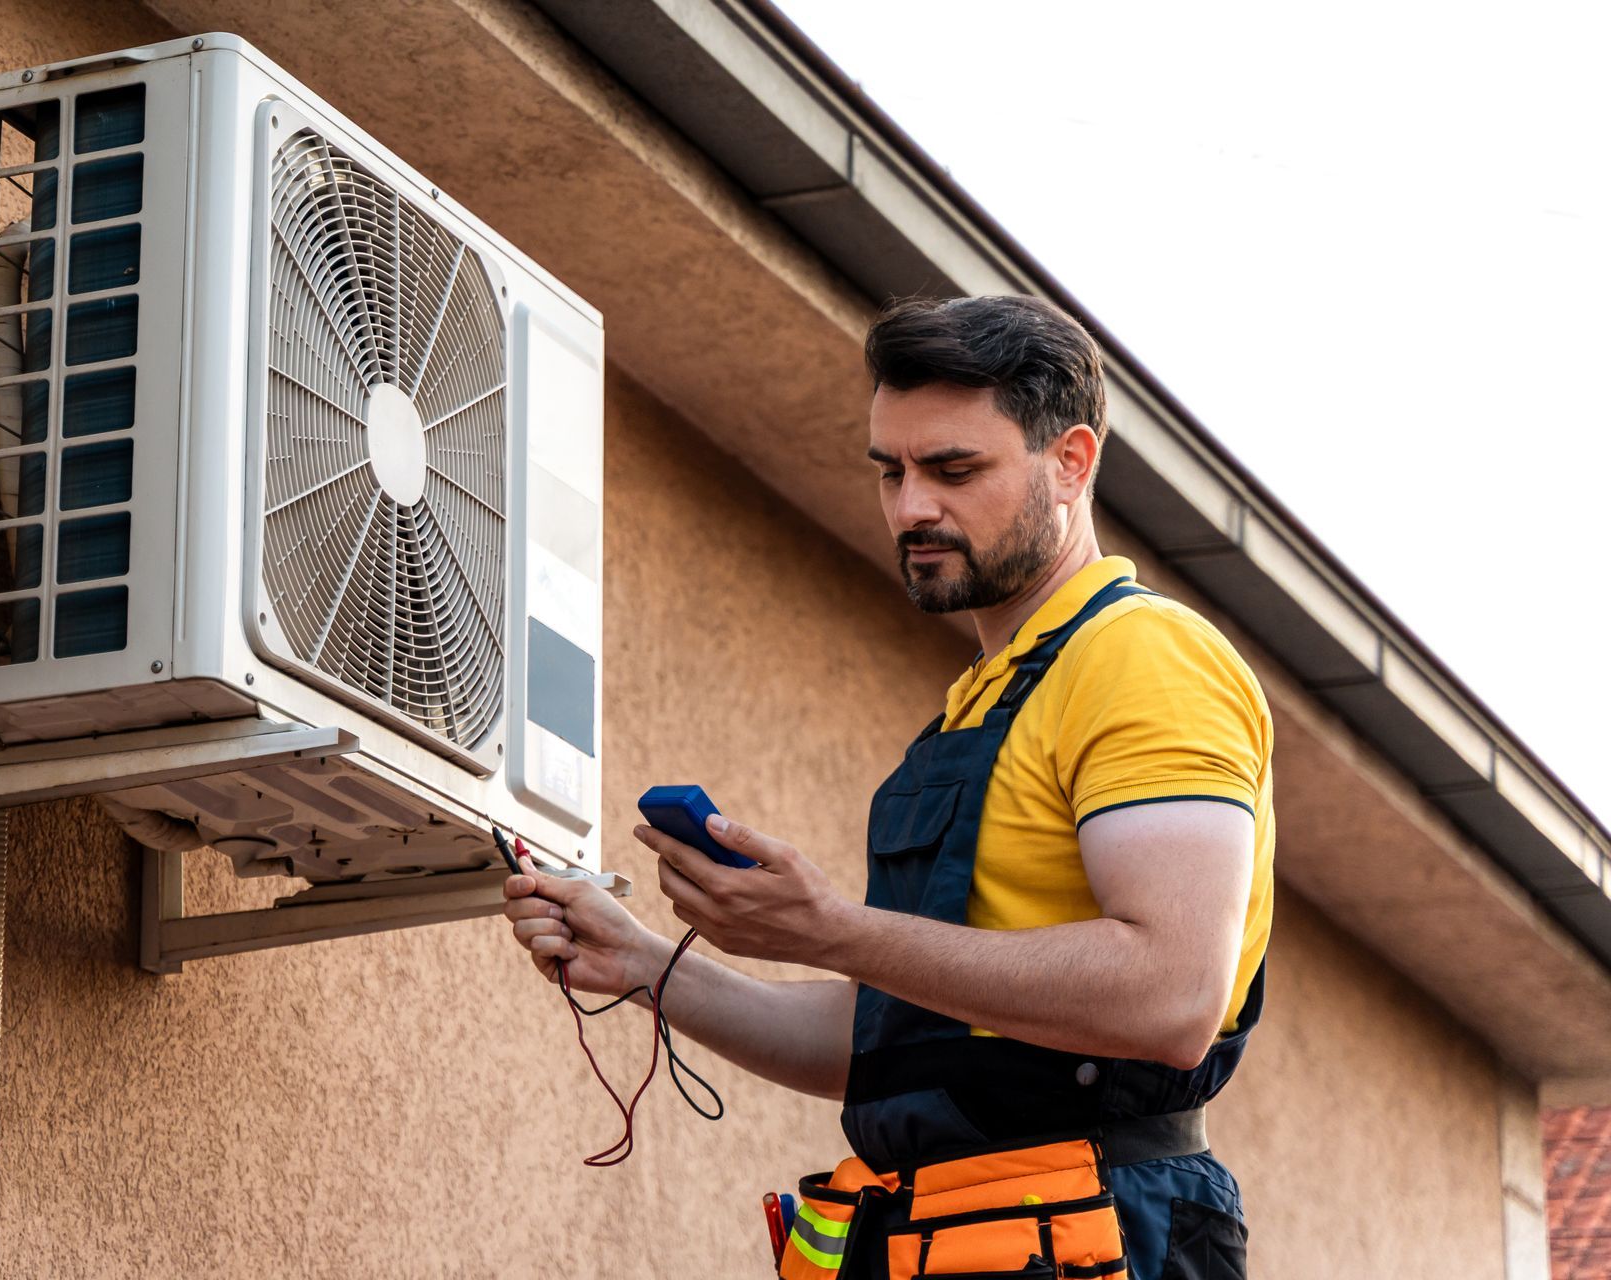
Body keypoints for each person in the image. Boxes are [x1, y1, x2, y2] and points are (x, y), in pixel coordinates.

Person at [502, 294, 1274, 1280]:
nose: (911, 508)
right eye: (891, 471)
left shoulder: (1144, 658)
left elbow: (1173, 994)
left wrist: (832, 929)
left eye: (954, 469)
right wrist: (651, 966)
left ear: (1071, 462)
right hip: (939, 1237)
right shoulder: (979, 706)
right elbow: (901, 1038)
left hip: (1102, 1233)